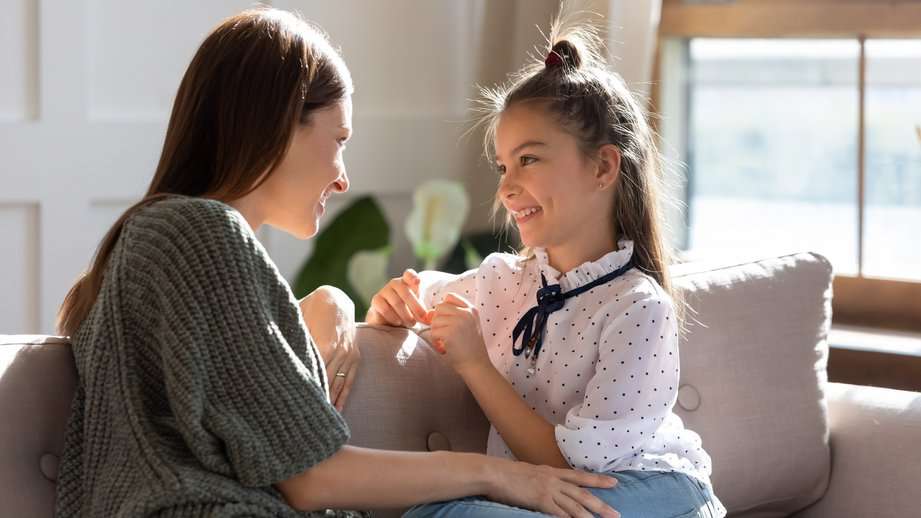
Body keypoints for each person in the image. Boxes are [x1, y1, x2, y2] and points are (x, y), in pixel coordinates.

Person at [54, 8, 620, 518]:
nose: (343, 176)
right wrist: (499, 475)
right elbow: (311, 476)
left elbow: (220, 378)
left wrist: (327, 302)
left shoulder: (164, 237)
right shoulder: (200, 231)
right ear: (278, 124)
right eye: (339, 138)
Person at [368, 11, 727, 518]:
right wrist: (392, 304)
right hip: (550, 494)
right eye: (503, 166)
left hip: (655, 491)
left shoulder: (638, 309)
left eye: (529, 160)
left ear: (603, 167)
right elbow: (425, 294)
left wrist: (474, 362)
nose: (506, 187)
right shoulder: (502, 282)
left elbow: (573, 466)